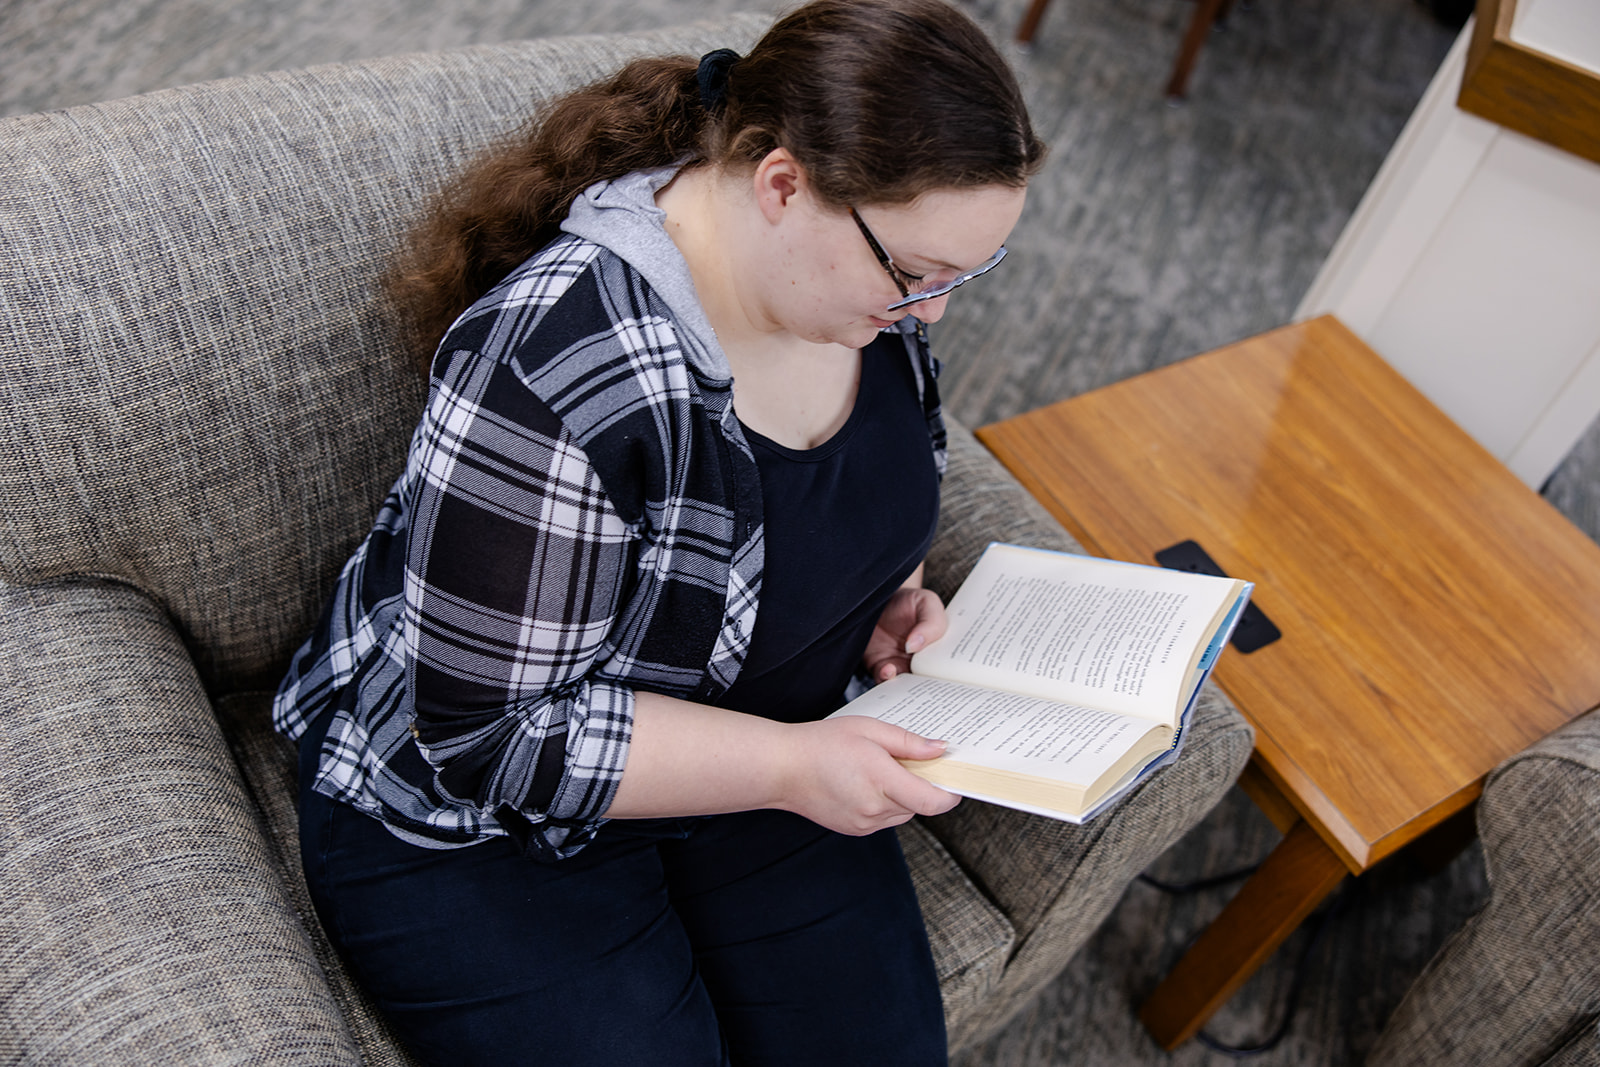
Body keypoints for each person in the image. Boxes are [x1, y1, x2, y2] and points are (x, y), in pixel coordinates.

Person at [272, 1, 1046, 1062]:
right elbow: (488, 735)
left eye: (963, 275)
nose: (934, 313)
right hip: (486, 822)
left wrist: (885, 603)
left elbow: (856, 494)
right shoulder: (555, 362)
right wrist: (788, 766)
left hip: (771, 742)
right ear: (781, 184)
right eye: (915, 274)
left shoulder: (853, 305)